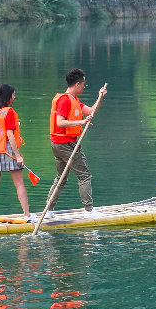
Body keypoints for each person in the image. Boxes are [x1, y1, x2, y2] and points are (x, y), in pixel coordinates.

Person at [47, 68, 107, 211]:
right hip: (65, 144)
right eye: (83, 84)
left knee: (61, 178)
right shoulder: (64, 101)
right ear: (77, 84)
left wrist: (101, 97)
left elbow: (92, 111)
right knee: (84, 176)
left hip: (59, 145)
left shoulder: (74, 101)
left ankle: (48, 210)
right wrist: (81, 122)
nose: (84, 87)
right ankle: (89, 211)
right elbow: (60, 122)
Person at [0, 83, 31, 224]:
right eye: (13, 95)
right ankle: (27, 215)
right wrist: (18, 155)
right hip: (8, 149)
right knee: (19, 183)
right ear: (8, 96)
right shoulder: (8, 112)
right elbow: (9, 134)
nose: (14, 97)